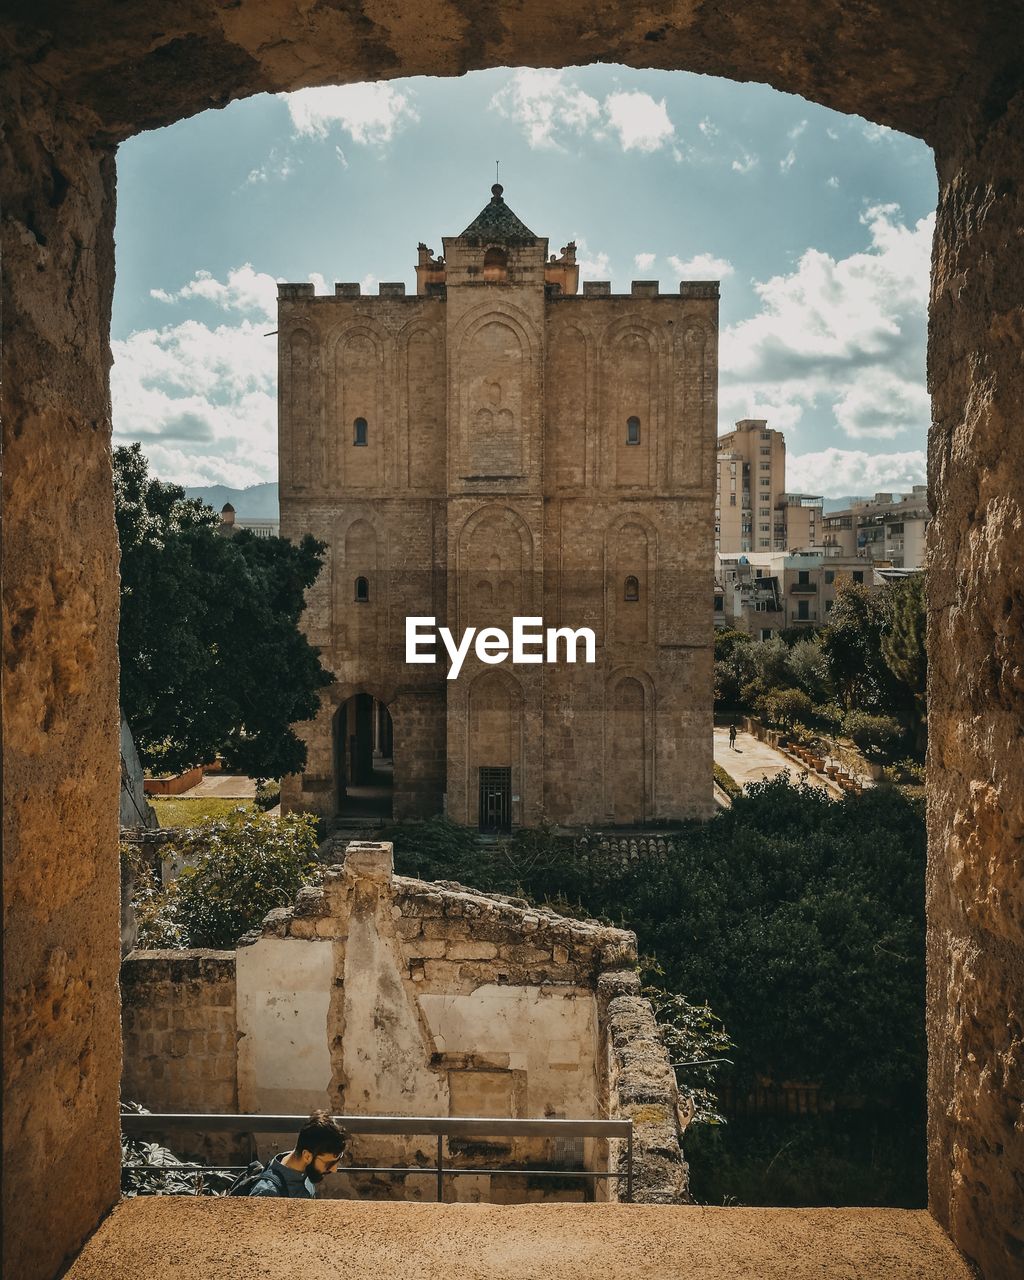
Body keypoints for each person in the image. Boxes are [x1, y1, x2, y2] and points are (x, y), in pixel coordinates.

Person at [245, 1110, 346, 1198]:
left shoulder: (305, 1169)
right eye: (329, 1164)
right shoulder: (267, 1193)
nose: (334, 1169)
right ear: (307, 1156)